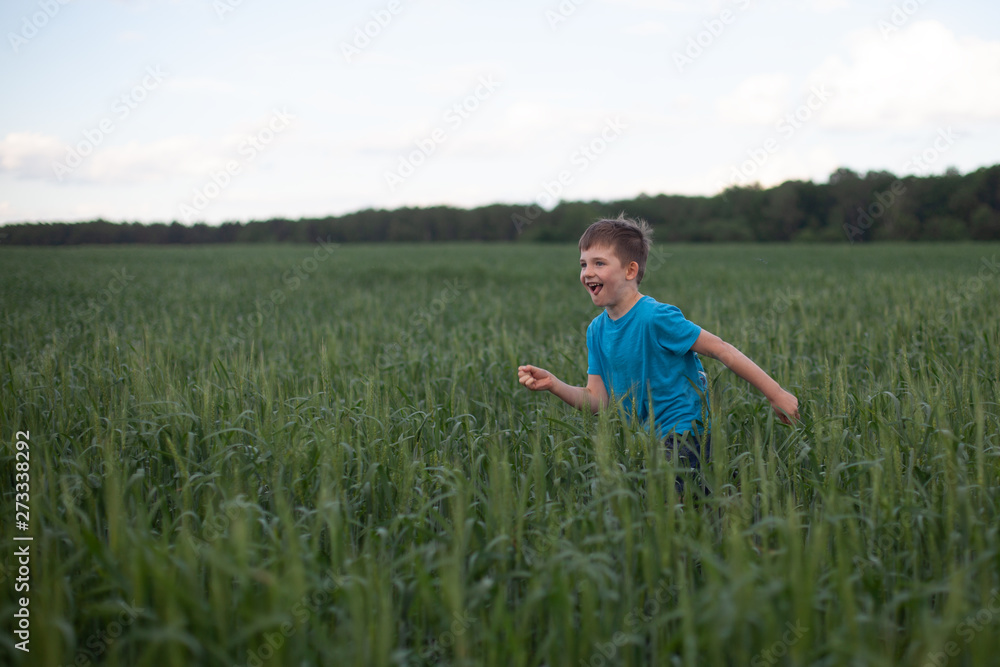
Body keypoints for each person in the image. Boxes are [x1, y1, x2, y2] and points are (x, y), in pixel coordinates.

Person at [517, 214, 799, 493]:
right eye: (583, 264)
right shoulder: (596, 331)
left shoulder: (656, 317)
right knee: (685, 509)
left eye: (599, 263)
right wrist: (554, 384)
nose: (587, 272)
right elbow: (598, 401)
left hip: (684, 432)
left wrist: (776, 393)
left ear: (630, 271)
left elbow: (721, 350)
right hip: (646, 438)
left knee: (674, 510)